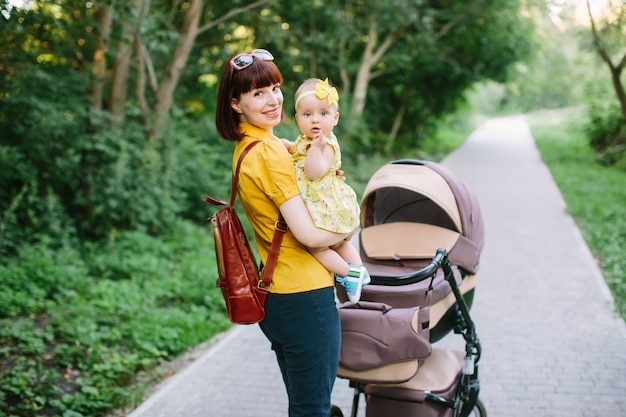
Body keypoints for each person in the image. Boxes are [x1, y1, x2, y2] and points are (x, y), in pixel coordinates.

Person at [215, 49, 349, 417]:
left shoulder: (251, 146)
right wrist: (350, 225)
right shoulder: (268, 154)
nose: (273, 100)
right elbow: (307, 234)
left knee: (304, 404)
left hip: (278, 296)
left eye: (274, 88)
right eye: (258, 93)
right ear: (235, 104)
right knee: (312, 409)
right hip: (305, 298)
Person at [281, 77, 369, 303]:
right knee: (340, 244)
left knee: (317, 248)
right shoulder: (306, 141)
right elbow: (300, 156)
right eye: (307, 114)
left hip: (327, 206)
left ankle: (350, 273)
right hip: (323, 204)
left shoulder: (326, 144)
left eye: (323, 113)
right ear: (297, 118)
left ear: (335, 118)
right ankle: (362, 271)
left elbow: (313, 171)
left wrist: (315, 149)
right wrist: (290, 146)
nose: (315, 120)